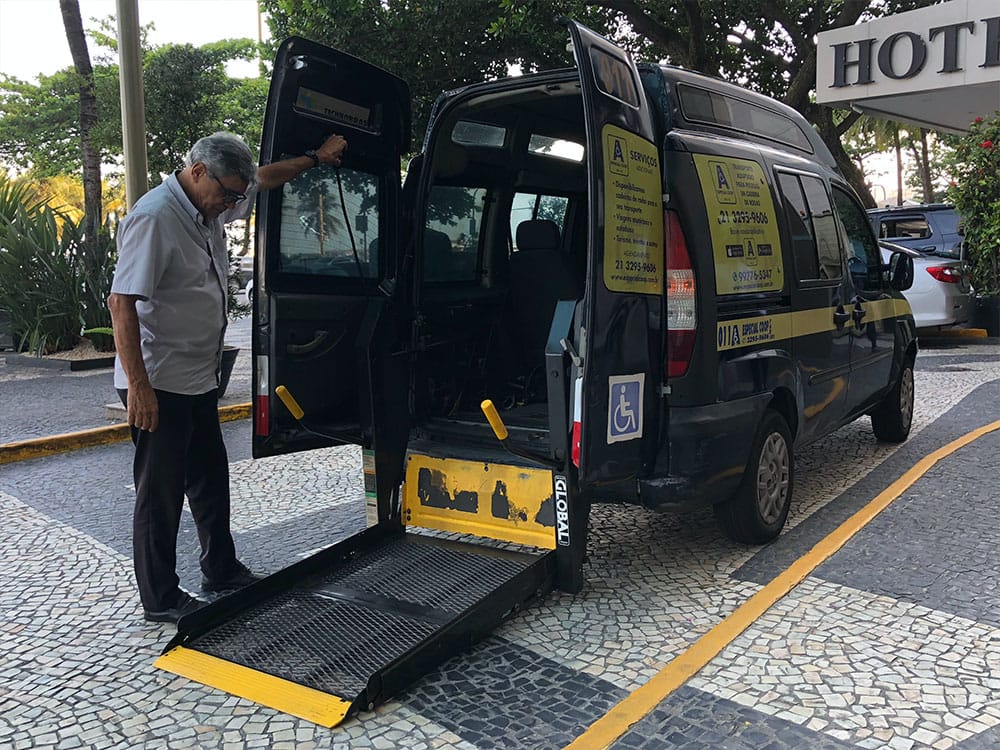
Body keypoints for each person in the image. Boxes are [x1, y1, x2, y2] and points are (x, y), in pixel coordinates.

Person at [109, 131, 348, 624]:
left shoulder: (210, 202)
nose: (232, 204)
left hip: (197, 378)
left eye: (238, 196)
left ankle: (219, 568)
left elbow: (266, 177)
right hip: (160, 380)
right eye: (227, 193)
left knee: (211, 481)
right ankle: (160, 598)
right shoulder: (155, 219)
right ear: (197, 171)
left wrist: (315, 157)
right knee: (161, 492)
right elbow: (122, 303)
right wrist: (138, 387)